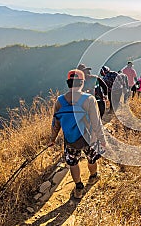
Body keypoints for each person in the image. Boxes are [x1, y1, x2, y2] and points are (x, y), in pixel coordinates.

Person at [49, 69, 104, 199]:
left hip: (70, 140)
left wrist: (52, 139)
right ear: (82, 83)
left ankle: (79, 188)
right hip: (88, 139)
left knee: (73, 163)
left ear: (68, 83)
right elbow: (96, 122)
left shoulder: (60, 101)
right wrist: (102, 139)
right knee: (91, 159)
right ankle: (93, 177)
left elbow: (55, 123)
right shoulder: (89, 99)